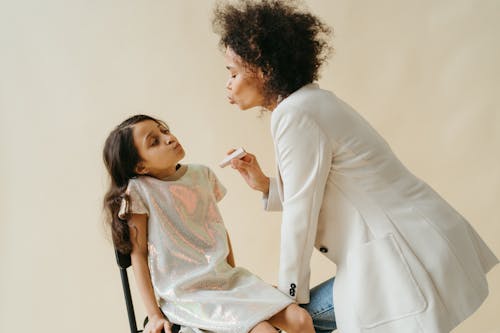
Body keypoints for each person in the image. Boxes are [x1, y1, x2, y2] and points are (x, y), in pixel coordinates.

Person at [212, 1, 499, 333]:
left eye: (233, 73)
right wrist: (266, 185)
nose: (228, 85)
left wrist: (291, 296)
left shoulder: (294, 114)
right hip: (415, 245)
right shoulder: (314, 102)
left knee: (274, 323)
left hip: (401, 257)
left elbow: (300, 216)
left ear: (264, 70)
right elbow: (328, 186)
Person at [102, 114, 315, 333]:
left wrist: (235, 278)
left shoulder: (201, 174)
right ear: (140, 167)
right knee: (263, 331)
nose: (168, 139)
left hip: (227, 280)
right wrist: (154, 315)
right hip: (188, 294)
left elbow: (218, 228)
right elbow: (138, 255)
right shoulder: (139, 192)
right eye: (154, 141)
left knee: (301, 320)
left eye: (164, 131)